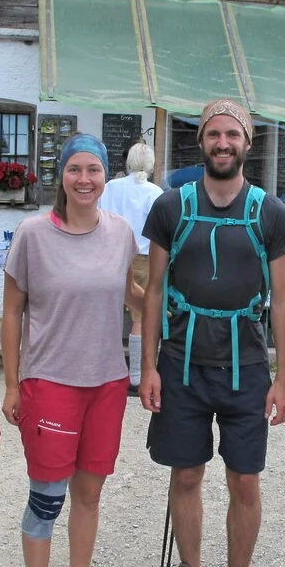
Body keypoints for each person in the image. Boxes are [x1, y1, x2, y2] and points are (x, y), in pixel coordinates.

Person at [139, 98, 285, 567]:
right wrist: (148, 367)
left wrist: (283, 377)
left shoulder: (269, 212)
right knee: (185, 474)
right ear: (200, 142)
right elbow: (154, 289)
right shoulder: (171, 207)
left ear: (248, 143)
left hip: (246, 363)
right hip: (180, 362)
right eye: (214, 134)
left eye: (233, 134)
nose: (223, 143)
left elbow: (281, 299)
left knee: (244, 479)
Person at [1, 133, 145, 567]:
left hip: (106, 380)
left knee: (89, 492)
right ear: (60, 176)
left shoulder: (122, 232)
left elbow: (132, 295)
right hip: (50, 381)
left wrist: (183, 304)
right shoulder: (33, 234)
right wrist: (13, 383)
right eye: (75, 170)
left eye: (94, 170)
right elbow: (13, 310)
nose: (85, 179)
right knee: (47, 497)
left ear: (107, 177)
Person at [98, 139, 163, 392]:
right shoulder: (155, 193)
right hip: (145, 258)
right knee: (141, 316)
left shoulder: (110, 187)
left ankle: (107, 370)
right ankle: (136, 375)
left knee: (110, 314)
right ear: (150, 165)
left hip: (112, 254)